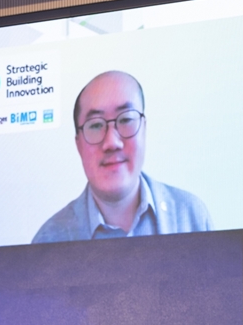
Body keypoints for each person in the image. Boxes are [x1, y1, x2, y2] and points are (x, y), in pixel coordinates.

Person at [32, 70, 212, 243]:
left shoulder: (190, 217)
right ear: (78, 144)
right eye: (95, 125)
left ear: (144, 129)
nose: (112, 142)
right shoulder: (49, 240)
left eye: (125, 120)